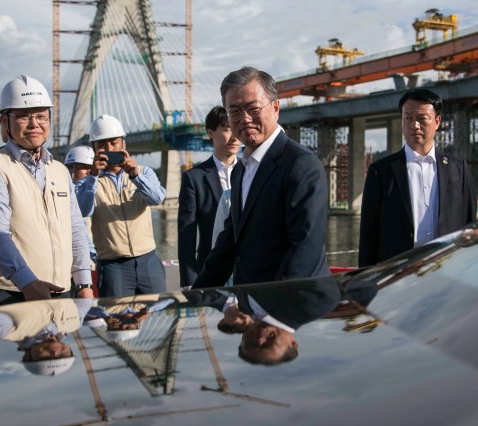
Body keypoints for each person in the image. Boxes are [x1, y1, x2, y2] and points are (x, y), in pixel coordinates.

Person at [192, 66, 330, 289]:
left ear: (276, 107)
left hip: (291, 306)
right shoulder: (241, 169)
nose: (244, 119)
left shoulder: (300, 164)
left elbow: (305, 246)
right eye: (235, 111)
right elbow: (229, 241)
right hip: (251, 303)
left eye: (252, 108)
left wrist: (273, 311)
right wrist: (198, 295)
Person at [0, 75, 93, 304]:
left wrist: (83, 282)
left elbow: (76, 229)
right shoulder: (2, 167)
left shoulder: (60, 170)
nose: (34, 124)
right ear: (4, 122)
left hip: (63, 291)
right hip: (14, 294)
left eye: (42, 116)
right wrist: (27, 281)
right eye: (23, 116)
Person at [358, 88, 477, 267]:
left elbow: (470, 223)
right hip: (397, 269)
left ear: (437, 122)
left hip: (448, 265)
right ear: (401, 122)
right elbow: (368, 232)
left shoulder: (458, 168)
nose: (414, 125)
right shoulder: (381, 171)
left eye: (422, 118)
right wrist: (365, 279)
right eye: (408, 118)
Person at [76, 114, 166, 297]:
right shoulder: (87, 182)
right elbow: (82, 210)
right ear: (93, 148)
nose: (108, 149)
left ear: (123, 144)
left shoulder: (144, 172)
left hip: (148, 259)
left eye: (114, 143)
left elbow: (157, 198)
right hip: (113, 265)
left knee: (157, 314)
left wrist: (135, 176)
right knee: (117, 319)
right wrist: (93, 175)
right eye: (102, 144)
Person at [178, 106, 240, 287]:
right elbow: (186, 234)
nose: (235, 137)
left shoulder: (250, 171)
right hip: (211, 270)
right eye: (228, 129)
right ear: (211, 133)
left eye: (236, 129)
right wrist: (189, 281)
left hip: (247, 269)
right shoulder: (194, 178)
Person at [0, 297, 93, 376]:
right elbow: (85, 295)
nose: (55, 352)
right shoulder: (75, 324)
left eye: (46, 358)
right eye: (63, 355)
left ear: (27, 357)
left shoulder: (7, 332)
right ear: (70, 351)